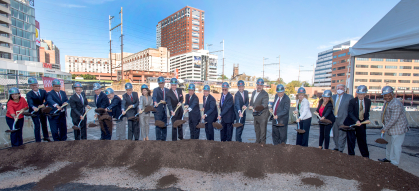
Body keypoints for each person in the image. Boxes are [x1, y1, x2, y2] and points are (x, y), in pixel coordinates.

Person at [378, 86, 409, 166]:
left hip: (398, 129)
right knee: (389, 144)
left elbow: (393, 119)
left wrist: (384, 128)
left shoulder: (396, 104)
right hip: (389, 128)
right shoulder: (387, 102)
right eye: (385, 95)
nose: (387, 97)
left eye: (388, 95)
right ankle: (388, 158)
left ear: (393, 94)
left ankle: (394, 163)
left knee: (396, 146)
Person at [343, 85, 370, 157]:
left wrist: (367, 119)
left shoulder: (368, 101)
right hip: (352, 122)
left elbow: (367, 112)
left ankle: (365, 156)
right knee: (351, 140)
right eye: (359, 94)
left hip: (362, 123)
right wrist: (356, 121)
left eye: (362, 94)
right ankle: (351, 155)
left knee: (362, 140)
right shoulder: (352, 101)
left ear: (365, 94)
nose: (360, 96)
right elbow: (350, 113)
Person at [26, 77, 51, 142]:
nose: (34, 86)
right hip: (34, 111)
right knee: (37, 125)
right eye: (32, 85)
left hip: (42, 111)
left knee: (44, 124)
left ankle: (46, 137)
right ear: (30, 86)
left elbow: (47, 100)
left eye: (35, 85)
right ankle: (38, 140)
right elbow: (30, 102)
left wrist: (44, 104)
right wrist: (33, 107)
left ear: (38, 85)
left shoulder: (43, 91)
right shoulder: (29, 94)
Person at [331, 84, 353, 152]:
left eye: (341, 88)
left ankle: (340, 149)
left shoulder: (349, 97)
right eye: (338, 88)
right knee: (335, 134)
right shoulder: (333, 97)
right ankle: (336, 146)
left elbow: (351, 108)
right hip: (334, 118)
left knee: (342, 135)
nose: (340, 89)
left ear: (344, 89)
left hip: (344, 118)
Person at [249, 78, 270, 144]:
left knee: (263, 131)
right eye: (258, 85)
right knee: (257, 130)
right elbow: (252, 102)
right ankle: (257, 142)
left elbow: (264, 104)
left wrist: (256, 108)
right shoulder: (254, 92)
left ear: (263, 86)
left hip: (263, 115)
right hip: (256, 115)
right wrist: (251, 105)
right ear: (256, 85)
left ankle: (263, 143)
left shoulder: (265, 94)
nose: (259, 86)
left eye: (261, 85)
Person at [152, 77, 169, 141]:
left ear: (164, 83)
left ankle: (163, 139)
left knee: (164, 125)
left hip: (164, 111)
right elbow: (154, 97)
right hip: (158, 111)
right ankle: (158, 140)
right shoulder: (156, 90)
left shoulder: (167, 90)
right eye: (160, 83)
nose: (161, 84)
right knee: (158, 125)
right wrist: (155, 102)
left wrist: (165, 102)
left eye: (162, 83)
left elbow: (168, 99)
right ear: (158, 84)